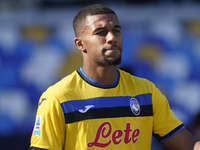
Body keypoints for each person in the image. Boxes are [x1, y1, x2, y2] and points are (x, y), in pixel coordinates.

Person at [29, 4, 200, 150]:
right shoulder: (57, 98)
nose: (112, 38)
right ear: (80, 44)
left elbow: (187, 144)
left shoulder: (146, 92)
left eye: (116, 31)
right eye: (101, 32)